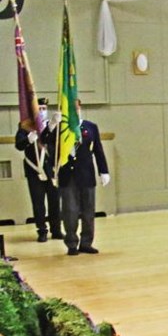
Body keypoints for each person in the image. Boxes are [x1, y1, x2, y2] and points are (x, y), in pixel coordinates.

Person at [59, 98, 110, 256]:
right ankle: (72, 243)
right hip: (67, 175)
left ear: (80, 107)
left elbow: (98, 150)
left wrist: (104, 171)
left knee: (88, 211)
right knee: (70, 211)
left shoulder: (90, 127)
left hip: (86, 174)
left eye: (76, 107)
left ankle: (86, 242)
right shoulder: (61, 128)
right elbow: (49, 147)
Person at [14, 97, 62, 242]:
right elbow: (19, 145)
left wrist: (54, 125)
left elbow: (58, 144)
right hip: (34, 170)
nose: (42, 111)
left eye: (44, 109)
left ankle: (56, 230)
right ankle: (42, 231)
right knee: (38, 203)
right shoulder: (26, 126)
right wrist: (28, 139)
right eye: (39, 108)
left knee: (54, 202)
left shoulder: (53, 125)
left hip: (51, 170)